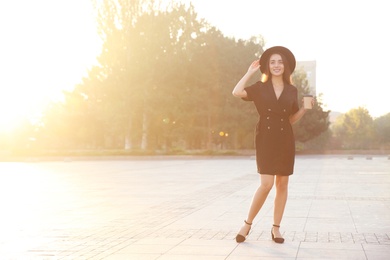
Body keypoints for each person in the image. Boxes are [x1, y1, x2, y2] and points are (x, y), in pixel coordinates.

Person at [232, 46, 310, 244]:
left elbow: (290, 119)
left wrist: (304, 109)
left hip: (285, 139)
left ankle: (276, 229)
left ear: (286, 66)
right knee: (266, 184)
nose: (277, 65)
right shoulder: (259, 87)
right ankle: (247, 224)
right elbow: (236, 92)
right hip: (266, 138)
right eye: (273, 62)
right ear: (267, 66)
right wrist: (250, 72)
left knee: (282, 184)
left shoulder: (292, 90)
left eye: (280, 62)